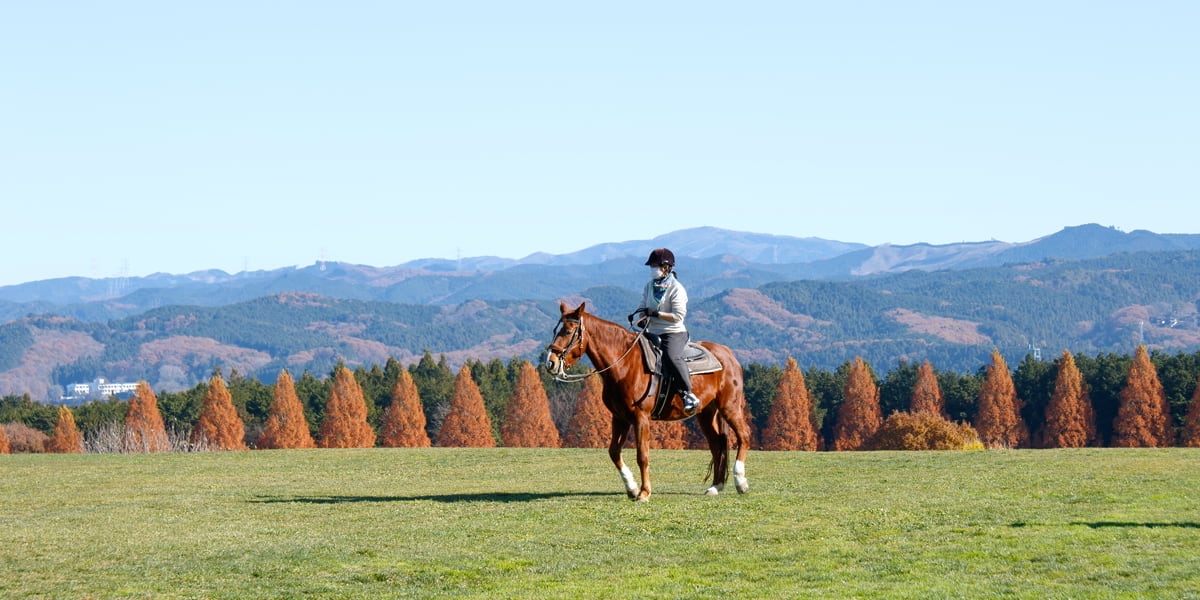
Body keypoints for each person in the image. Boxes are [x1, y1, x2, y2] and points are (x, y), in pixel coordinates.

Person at [636, 248, 701, 415]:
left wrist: (655, 313)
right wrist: (641, 315)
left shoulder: (676, 288)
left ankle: (688, 393)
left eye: (655, 265)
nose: (652, 268)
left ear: (666, 267)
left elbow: (678, 316)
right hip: (652, 331)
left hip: (673, 332)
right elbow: (643, 305)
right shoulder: (649, 286)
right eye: (651, 265)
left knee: (671, 356)